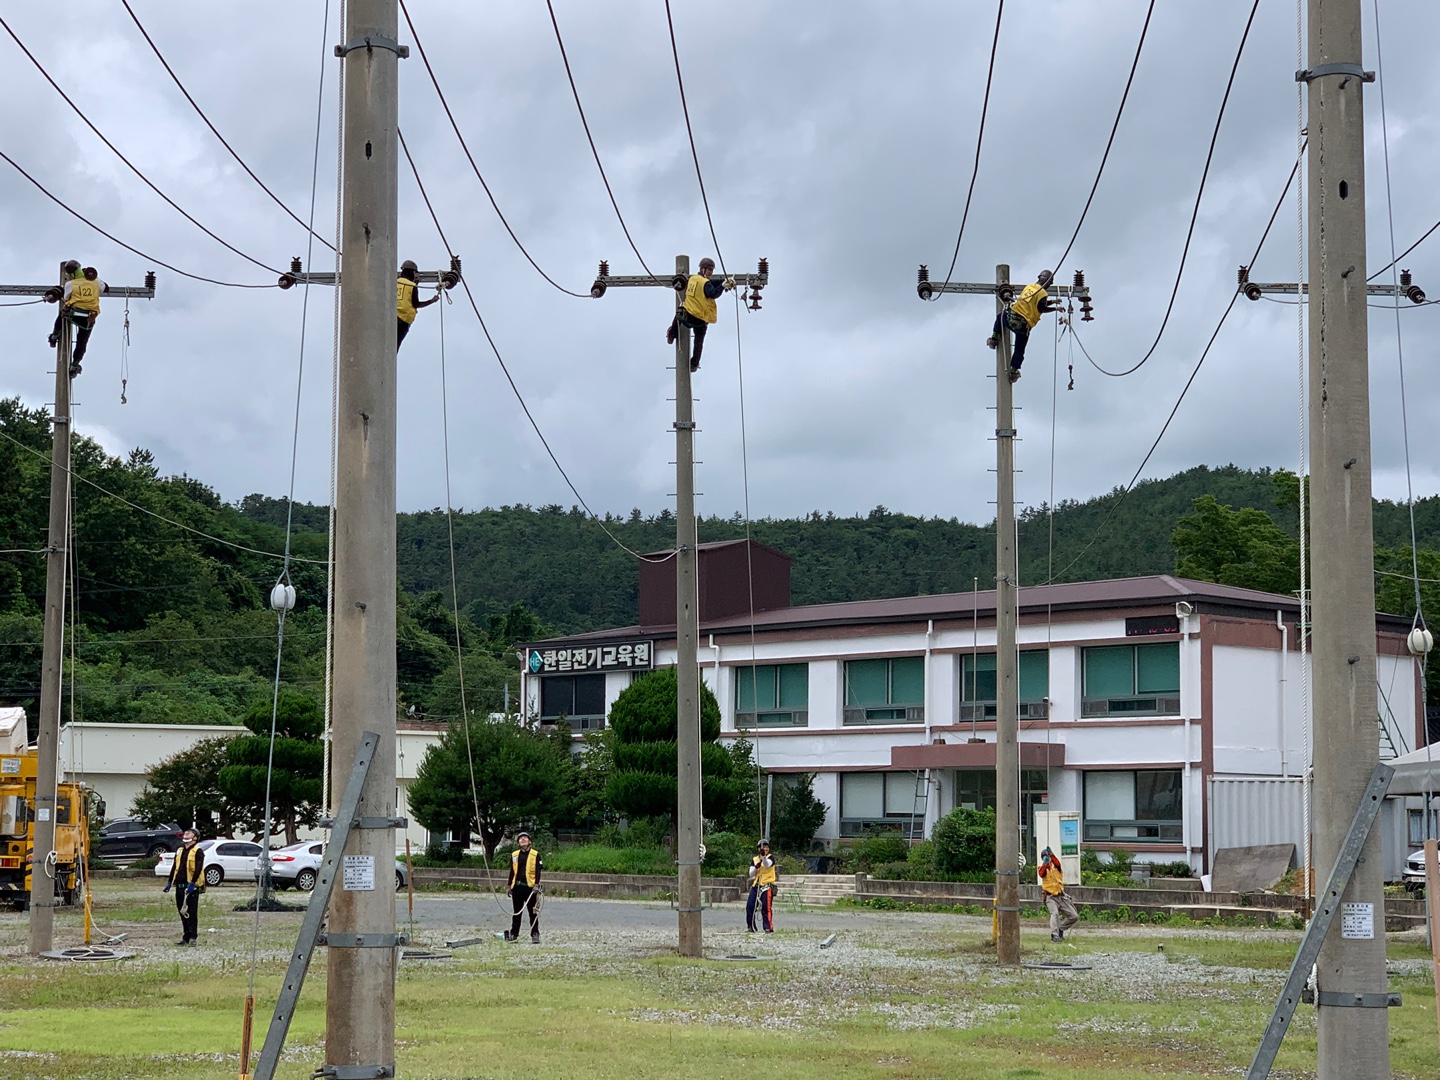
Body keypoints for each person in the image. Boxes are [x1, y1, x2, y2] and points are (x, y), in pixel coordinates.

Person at [665, 257, 737, 371]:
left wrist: (722, 282)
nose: (711, 273)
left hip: (689, 313)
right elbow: (712, 293)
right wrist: (723, 286)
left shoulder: (693, 279)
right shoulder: (705, 283)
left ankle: (672, 334)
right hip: (701, 319)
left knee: (679, 314)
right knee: (699, 341)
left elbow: (709, 284)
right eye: (709, 270)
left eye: (712, 270)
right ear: (703, 269)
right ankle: (694, 364)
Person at [986, 269, 1057, 382]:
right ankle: (1014, 371)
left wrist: (1053, 302)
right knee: (1019, 349)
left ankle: (994, 338)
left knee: (1000, 316)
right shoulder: (1043, 293)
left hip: (1011, 318)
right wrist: (1056, 309)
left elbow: (1034, 303)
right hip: (1023, 326)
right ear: (1048, 282)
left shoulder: (1029, 287)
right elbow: (1041, 308)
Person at [48, 262, 105, 377]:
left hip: (73, 314)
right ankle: (74, 366)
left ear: (71, 274)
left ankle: (54, 336)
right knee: (82, 342)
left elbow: (66, 297)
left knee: (62, 315)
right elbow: (104, 288)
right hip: (88, 318)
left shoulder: (70, 284)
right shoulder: (97, 282)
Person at [163, 829, 205, 946]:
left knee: (191, 912)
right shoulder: (180, 850)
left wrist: (193, 883)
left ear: (195, 837)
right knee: (182, 912)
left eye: (189, 833)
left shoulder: (198, 851)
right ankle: (185, 936)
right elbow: (174, 866)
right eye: (185, 832)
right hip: (180, 886)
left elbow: (198, 868)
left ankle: (193, 936)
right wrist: (170, 882)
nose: (186, 834)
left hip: (191, 887)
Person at [505, 831, 543, 943]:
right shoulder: (514, 855)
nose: (523, 839)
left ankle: (535, 934)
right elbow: (512, 871)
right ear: (518, 843)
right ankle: (514, 934)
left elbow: (538, 871)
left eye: (525, 838)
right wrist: (509, 886)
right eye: (520, 838)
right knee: (517, 912)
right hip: (517, 887)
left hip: (530, 888)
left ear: (529, 841)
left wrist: (536, 885)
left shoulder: (535, 854)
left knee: (533, 912)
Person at [396, 260, 442, 351]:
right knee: (395, 346)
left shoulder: (396, 282)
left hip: (393, 317)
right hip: (404, 319)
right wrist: (431, 301)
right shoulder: (412, 286)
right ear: (412, 272)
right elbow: (416, 304)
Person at [1038, 845, 1078, 943]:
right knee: (1054, 914)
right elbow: (1041, 874)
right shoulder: (1042, 868)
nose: (1047, 859)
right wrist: (1045, 864)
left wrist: (1051, 854)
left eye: (1047, 857)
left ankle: (1061, 928)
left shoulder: (1057, 867)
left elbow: (1057, 863)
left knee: (1074, 916)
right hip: (1050, 897)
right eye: (1045, 857)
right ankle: (1054, 935)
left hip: (1061, 896)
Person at [746, 839, 777, 933]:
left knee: (766, 908)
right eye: (763, 847)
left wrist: (763, 858)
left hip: (767, 885)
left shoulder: (770, 858)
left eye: (767, 847)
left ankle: (767, 927)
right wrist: (756, 867)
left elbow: (767, 865)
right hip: (757, 885)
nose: (765, 849)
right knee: (750, 906)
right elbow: (751, 873)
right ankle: (751, 926)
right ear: (759, 849)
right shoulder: (755, 859)